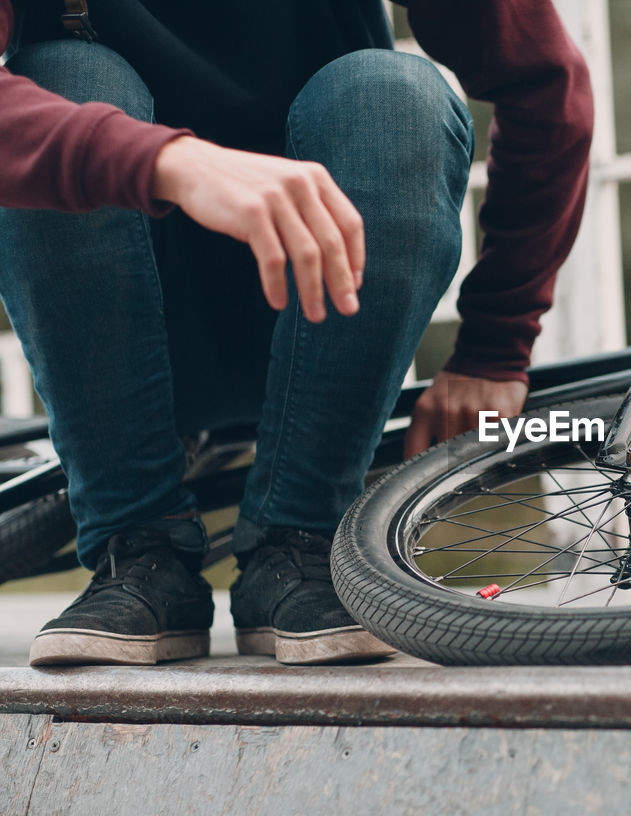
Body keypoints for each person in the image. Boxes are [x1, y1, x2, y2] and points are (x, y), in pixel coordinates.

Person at [0, 0, 593, 665]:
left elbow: (543, 82)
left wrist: (495, 345)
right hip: (113, 319)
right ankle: (137, 549)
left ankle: (300, 540)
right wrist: (176, 164)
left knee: (395, 94)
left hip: (331, 318)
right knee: (60, 76)